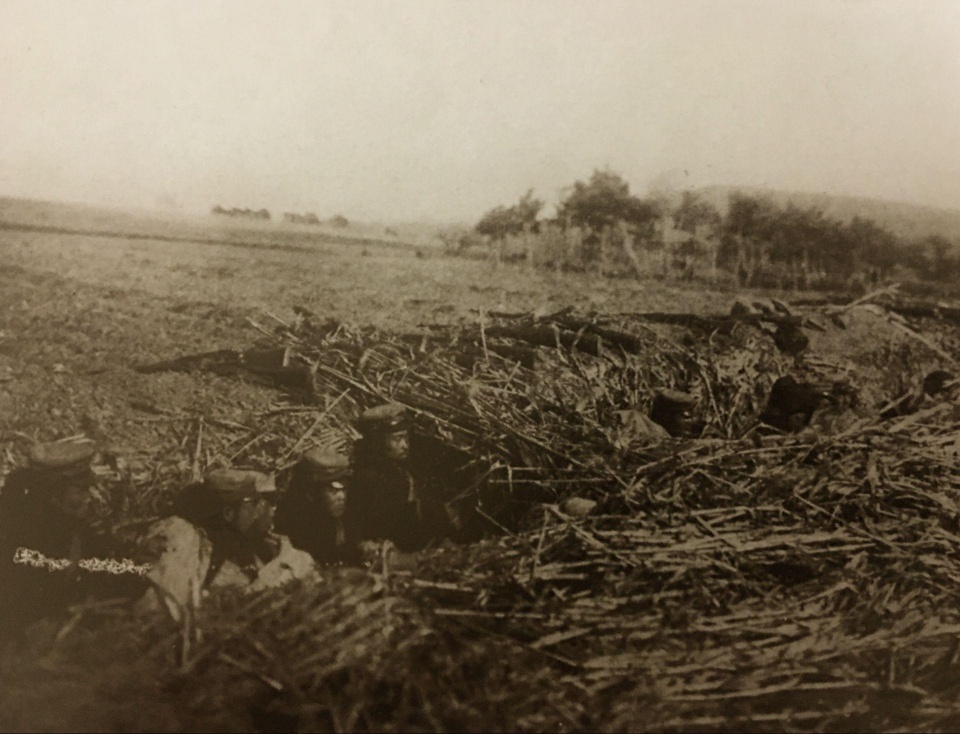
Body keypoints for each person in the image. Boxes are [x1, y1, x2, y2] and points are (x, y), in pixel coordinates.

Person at [0, 439, 139, 642]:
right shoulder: (23, 533)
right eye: (80, 490)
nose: (88, 497)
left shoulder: (67, 523)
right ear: (54, 494)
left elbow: (98, 559)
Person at [137, 468, 316, 621]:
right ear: (229, 513)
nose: (270, 509)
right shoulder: (188, 544)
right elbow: (157, 608)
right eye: (256, 502)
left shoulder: (283, 553)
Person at [350, 403, 455, 553]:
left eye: (406, 438)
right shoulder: (368, 477)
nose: (405, 445)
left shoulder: (400, 467)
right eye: (397, 439)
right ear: (378, 441)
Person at [274, 448, 362, 567]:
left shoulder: (342, 516)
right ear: (312, 493)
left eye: (343, 489)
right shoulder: (298, 522)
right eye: (332, 490)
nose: (342, 496)